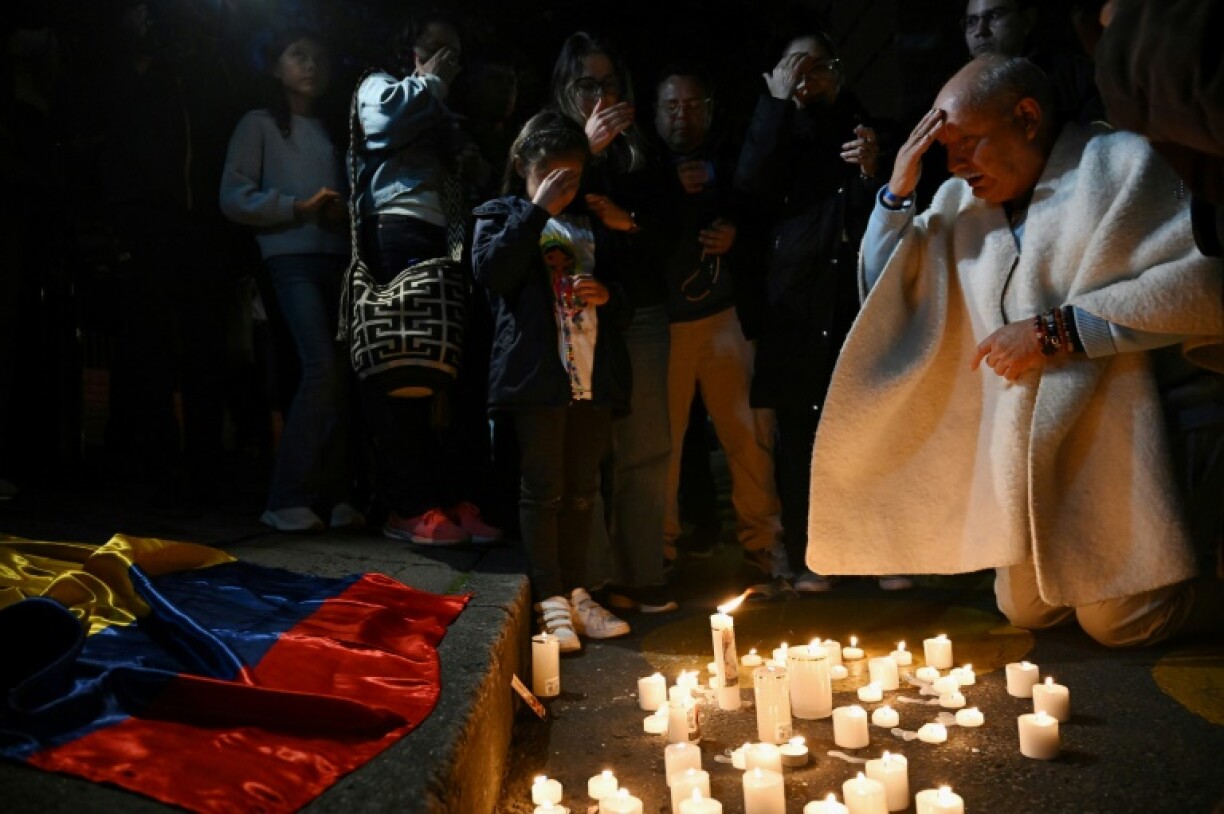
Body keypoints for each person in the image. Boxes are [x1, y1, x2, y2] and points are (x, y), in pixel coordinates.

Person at [807, 54, 1224, 647]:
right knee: (1026, 609)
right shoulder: (958, 204)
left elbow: (1198, 287)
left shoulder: (1122, 164)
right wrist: (897, 192)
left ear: (1027, 117)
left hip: (1131, 422)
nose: (954, 164)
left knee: (1118, 622)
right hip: (1026, 440)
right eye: (944, 149)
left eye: (969, 142)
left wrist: (1055, 332)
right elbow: (889, 294)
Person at [734, 31, 903, 591]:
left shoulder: (862, 128)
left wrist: (871, 171)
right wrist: (776, 104)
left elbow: (883, 213)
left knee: (867, 430)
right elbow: (751, 189)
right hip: (793, 306)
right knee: (800, 435)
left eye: (820, 66)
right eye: (794, 66)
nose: (809, 78)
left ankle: (878, 553)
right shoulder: (773, 126)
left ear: (840, 69)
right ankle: (813, 556)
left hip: (850, 300)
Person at [472, 109, 634, 652]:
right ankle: (550, 601)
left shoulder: (591, 220)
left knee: (583, 490)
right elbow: (492, 272)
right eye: (552, 176)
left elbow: (633, 291)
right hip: (536, 374)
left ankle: (578, 590)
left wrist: (609, 293)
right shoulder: (502, 213)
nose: (565, 187)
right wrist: (539, 209)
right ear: (524, 165)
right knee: (543, 490)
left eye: (573, 177)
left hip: (590, 370)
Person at [350, 13, 501, 545]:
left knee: (450, 372)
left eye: (453, 52)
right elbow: (382, 125)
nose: (445, 60)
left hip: (450, 237)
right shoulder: (381, 86)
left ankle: (454, 497)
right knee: (402, 361)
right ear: (406, 48)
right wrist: (432, 83)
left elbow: (478, 175)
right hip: (396, 228)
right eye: (434, 47)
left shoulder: (444, 109)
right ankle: (407, 505)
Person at [548, 33, 674, 611]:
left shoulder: (644, 149)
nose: (602, 96)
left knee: (646, 445)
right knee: (586, 450)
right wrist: (587, 151)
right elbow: (544, 213)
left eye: (611, 84)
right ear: (566, 88)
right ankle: (593, 583)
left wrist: (632, 224)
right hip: (578, 312)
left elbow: (667, 233)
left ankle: (642, 573)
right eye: (588, 84)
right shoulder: (555, 141)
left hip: (640, 307)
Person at [647, 64, 782, 595]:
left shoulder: (731, 160)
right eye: (672, 105)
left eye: (692, 104)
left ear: (709, 108)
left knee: (749, 437)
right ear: (655, 113)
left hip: (726, 316)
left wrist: (736, 235)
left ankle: (764, 544)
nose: (683, 115)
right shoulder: (642, 165)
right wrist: (668, 191)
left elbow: (761, 214)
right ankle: (656, 552)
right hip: (665, 325)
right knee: (666, 446)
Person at [220, 29, 361, 532]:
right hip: (290, 259)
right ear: (275, 67)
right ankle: (286, 496)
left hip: (337, 260)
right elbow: (234, 196)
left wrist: (339, 216)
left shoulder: (332, 129)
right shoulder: (259, 124)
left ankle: (334, 494)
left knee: (340, 373)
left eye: (320, 56)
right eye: (298, 55)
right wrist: (296, 208)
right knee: (321, 365)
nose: (311, 65)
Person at [961, 0, 1104, 125]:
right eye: (971, 22)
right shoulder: (960, 92)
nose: (980, 30)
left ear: (1027, 20)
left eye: (994, 15)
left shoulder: (1072, 75)